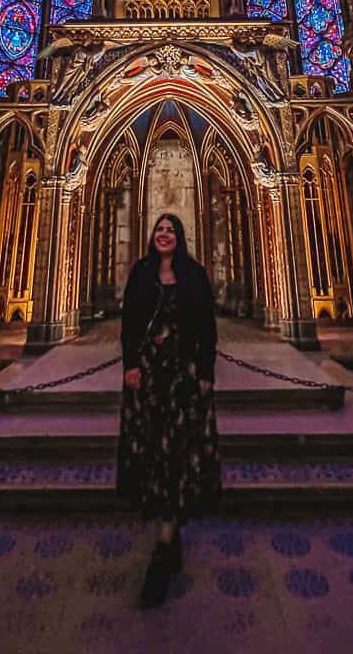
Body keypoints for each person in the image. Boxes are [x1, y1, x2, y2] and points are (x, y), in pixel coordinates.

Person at [117, 213, 221, 607]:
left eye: (170, 231)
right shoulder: (142, 273)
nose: (164, 235)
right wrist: (129, 364)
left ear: (179, 238)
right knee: (155, 452)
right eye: (159, 230)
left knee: (176, 451)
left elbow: (207, 326)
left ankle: (163, 549)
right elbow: (129, 322)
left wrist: (207, 371)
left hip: (184, 378)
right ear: (152, 237)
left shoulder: (193, 275)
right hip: (148, 379)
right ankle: (169, 532)